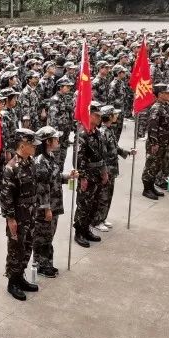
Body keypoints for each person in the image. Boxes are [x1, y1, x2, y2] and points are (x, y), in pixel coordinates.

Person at [1, 128, 41, 301]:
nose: (35, 148)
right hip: (18, 216)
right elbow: (6, 196)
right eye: (32, 145)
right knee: (15, 250)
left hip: (31, 215)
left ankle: (20, 277)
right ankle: (12, 282)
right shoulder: (11, 168)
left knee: (27, 247)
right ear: (23, 145)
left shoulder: (31, 162)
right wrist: (11, 219)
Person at [31, 126, 75, 278]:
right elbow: (42, 188)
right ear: (48, 141)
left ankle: (46, 263)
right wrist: (46, 208)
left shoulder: (49, 158)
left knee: (48, 236)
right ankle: (40, 265)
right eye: (55, 138)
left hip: (54, 204)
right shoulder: (40, 162)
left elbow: (53, 179)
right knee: (42, 237)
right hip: (46, 207)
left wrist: (67, 177)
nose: (58, 140)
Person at [72, 104, 105, 248]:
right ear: (89, 115)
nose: (99, 118)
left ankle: (87, 230)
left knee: (94, 204)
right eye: (97, 115)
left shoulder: (97, 133)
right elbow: (77, 159)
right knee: (83, 205)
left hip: (97, 174)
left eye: (100, 116)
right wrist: (83, 177)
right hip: (87, 176)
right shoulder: (82, 134)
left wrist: (104, 171)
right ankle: (79, 232)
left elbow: (102, 154)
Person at [141, 84, 169, 200]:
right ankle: (146, 189)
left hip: (164, 142)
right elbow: (152, 127)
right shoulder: (156, 108)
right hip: (156, 144)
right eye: (166, 93)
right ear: (160, 95)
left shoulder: (166, 106)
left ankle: (151, 186)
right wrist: (154, 143)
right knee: (151, 166)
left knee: (158, 166)